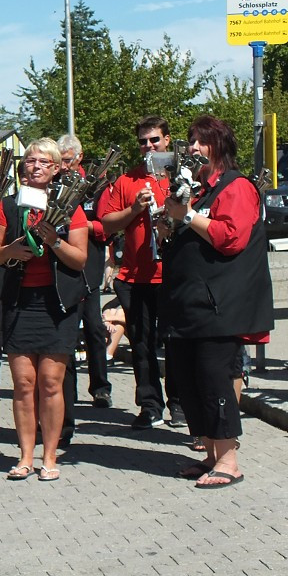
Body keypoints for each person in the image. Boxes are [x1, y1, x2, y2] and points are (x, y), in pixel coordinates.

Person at [160, 116, 272, 489]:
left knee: (213, 379)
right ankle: (209, 455)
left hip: (220, 305)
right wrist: (170, 219)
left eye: (199, 142)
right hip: (190, 304)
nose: (191, 148)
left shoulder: (236, 187)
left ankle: (228, 460)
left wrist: (187, 216)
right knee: (189, 380)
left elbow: (232, 239)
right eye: (191, 141)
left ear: (219, 145)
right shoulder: (200, 188)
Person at [0, 138, 88, 482]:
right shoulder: (8, 205)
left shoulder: (70, 206)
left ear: (58, 168)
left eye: (45, 162)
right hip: (19, 303)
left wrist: (54, 241)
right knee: (24, 383)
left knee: (50, 381)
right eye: (31, 161)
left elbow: (80, 258)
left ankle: (50, 455)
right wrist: (14, 247)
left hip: (57, 304)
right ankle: (25, 456)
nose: (37, 167)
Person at [100, 117, 182, 430]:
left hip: (172, 275)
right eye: (143, 142)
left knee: (176, 342)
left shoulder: (179, 176)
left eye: (154, 140)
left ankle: (178, 403)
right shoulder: (127, 181)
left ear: (167, 140)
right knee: (142, 344)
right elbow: (106, 224)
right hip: (135, 277)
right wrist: (134, 209)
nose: (149, 146)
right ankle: (150, 405)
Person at [58, 134, 113, 412]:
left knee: (93, 327)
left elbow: (106, 227)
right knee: (67, 331)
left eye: (66, 160)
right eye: (60, 160)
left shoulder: (96, 186)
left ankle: (101, 387)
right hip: (63, 267)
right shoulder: (55, 183)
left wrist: (81, 224)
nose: (63, 165)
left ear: (79, 158)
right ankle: (69, 392)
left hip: (89, 264)